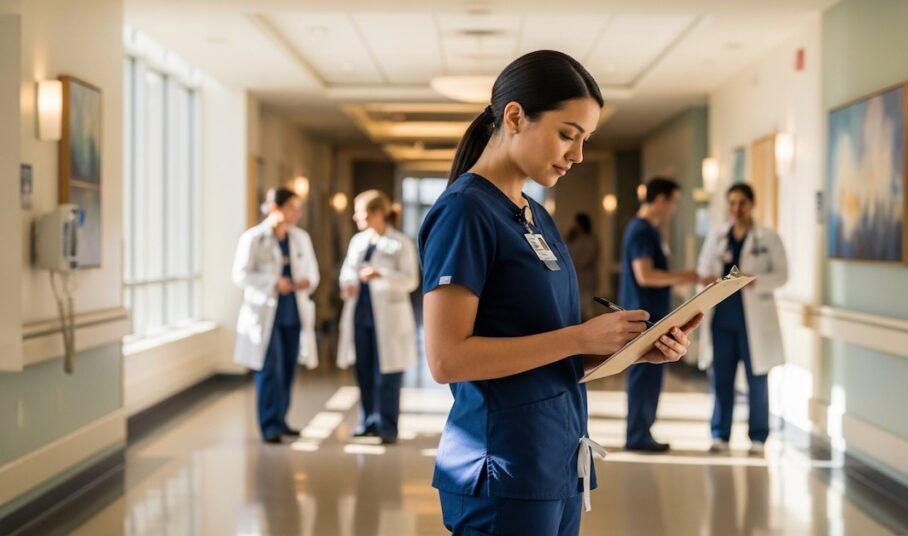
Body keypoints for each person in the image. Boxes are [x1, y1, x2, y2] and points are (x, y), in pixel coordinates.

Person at [418, 50, 703, 536]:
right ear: (514, 117)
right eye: (568, 135)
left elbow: (547, 351)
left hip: (557, 459)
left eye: (586, 140)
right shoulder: (465, 213)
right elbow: (447, 359)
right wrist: (578, 338)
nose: (578, 155)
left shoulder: (536, 215)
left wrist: (631, 352)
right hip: (503, 467)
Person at [696, 183, 789, 455]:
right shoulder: (717, 236)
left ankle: (758, 437)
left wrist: (755, 281)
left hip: (754, 323)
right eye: (732, 203)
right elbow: (704, 269)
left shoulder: (768, 238)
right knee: (721, 380)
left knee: (757, 379)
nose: (736, 209)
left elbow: (782, 275)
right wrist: (710, 279)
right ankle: (720, 434)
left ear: (752, 205)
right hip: (722, 319)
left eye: (742, 203)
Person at [232, 187, 320, 444]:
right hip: (265, 316)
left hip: (293, 313)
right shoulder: (253, 238)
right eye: (292, 207)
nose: (298, 213)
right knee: (270, 372)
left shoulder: (300, 238)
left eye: (298, 208)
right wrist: (273, 282)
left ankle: (281, 420)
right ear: (274, 208)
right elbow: (240, 275)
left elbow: (312, 270)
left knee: (289, 370)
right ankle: (269, 425)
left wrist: (307, 282)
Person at [619, 177, 700, 452]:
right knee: (645, 375)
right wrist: (682, 276)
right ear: (661, 199)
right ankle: (638, 435)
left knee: (648, 377)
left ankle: (642, 431)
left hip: (649, 315)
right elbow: (645, 275)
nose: (674, 209)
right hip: (644, 317)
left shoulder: (646, 230)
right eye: (674, 202)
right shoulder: (642, 231)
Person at [337, 190, 419, 445]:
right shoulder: (358, 241)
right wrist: (348, 284)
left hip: (389, 319)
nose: (355, 217)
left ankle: (387, 426)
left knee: (388, 375)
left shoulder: (401, 243)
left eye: (360, 213)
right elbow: (348, 272)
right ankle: (367, 422)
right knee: (364, 372)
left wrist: (381, 274)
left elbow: (411, 280)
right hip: (361, 316)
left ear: (377, 213)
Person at [566, 212, 599, 319]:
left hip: (585, 279)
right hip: (572, 278)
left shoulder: (590, 239)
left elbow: (586, 259)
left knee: (587, 307)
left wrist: (571, 265)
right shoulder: (572, 238)